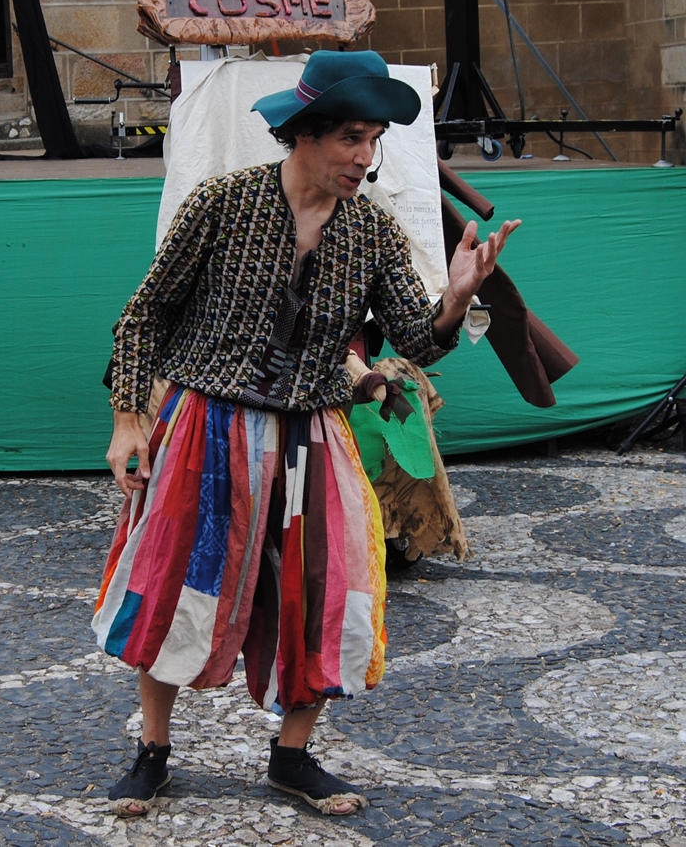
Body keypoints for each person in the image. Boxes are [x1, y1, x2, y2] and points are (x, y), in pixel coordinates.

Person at [93, 50, 520, 818]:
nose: (365, 156)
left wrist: (454, 301)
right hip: (206, 424)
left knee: (328, 592)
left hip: (311, 431)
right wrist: (130, 417)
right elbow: (144, 313)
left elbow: (411, 340)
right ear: (305, 135)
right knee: (173, 581)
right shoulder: (223, 204)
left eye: (374, 140)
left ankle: (292, 757)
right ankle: (152, 750)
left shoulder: (371, 231)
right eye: (351, 138)